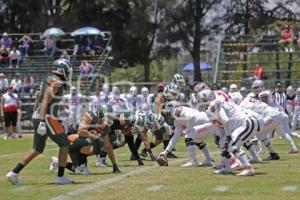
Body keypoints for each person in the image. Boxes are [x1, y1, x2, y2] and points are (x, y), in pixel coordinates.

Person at [6, 59, 74, 185]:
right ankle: (60, 177)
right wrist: (42, 120)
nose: (69, 74)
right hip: (45, 117)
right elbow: (45, 101)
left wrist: (36, 115)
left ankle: (14, 173)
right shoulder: (56, 81)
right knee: (65, 144)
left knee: (37, 149)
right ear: (62, 70)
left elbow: (39, 96)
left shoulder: (49, 79)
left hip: (41, 116)